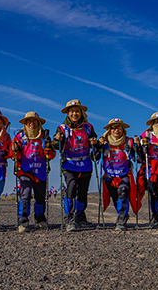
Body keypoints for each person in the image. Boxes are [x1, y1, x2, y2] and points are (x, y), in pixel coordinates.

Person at [53, 99, 98, 231]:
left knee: (82, 192)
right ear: (68, 113)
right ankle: (69, 218)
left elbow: (94, 141)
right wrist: (57, 140)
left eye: (77, 111)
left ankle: (80, 217)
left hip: (85, 164)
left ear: (81, 112)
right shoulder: (62, 128)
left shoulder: (88, 127)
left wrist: (95, 142)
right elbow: (56, 145)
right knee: (71, 187)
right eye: (72, 111)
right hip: (69, 164)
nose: (74, 114)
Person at [11, 111, 56, 233]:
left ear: (39, 123)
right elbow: (13, 155)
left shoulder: (44, 137)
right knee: (25, 196)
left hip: (40, 172)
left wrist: (48, 148)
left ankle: (40, 219)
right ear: (25, 123)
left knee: (40, 197)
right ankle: (23, 222)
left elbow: (51, 155)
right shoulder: (19, 137)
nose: (32, 123)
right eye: (29, 121)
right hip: (25, 171)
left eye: (34, 121)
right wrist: (15, 149)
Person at [95, 118, 140, 231]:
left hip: (124, 175)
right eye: (113, 128)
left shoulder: (129, 142)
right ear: (109, 130)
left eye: (119, 127)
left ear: (123, 129)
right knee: (116, 199)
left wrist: (137, 147)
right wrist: (97, 146)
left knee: (122, 193)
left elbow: (137, 158)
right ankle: (122, 214)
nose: (116, 130)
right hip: (109, 176)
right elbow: (94, 157)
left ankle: (121, 219)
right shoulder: (104, 142)